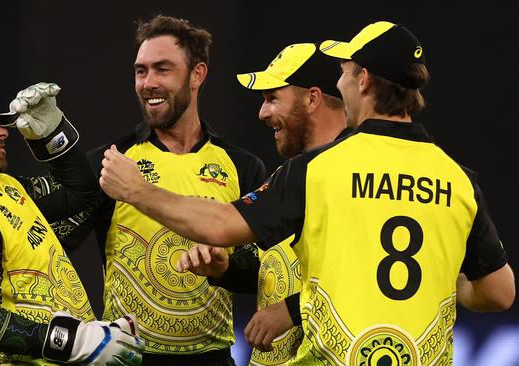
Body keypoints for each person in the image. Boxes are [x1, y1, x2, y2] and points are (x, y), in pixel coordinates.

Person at [98, 21, 515, 365]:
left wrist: (137, 190)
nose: (341, 82)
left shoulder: (321, 170)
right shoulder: (457, 178)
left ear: (363, 79)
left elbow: (221, 224)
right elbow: (499, 292)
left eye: (345, 72)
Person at [49, 15, 266, 366]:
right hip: (128, 359)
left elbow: (264, 269)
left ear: (198, 75)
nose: (148, 83)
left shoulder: (242, 166)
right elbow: (52, 248)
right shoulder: (110, 163)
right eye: (140, 71)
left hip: (212, 359)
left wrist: (224, 267)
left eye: (162, 69)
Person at [0, 81, 144, 365]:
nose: (3, 131)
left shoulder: (6, 187)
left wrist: (51, 133)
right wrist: (77, 341)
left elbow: (81, 193)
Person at [177, 42, 348, 365]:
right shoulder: (295, 173)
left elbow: (367, 278)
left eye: (272, 99)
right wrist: (225, 266)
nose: (262, 113)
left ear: (312, 98)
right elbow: (273, 265)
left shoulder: (353, 175)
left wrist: (292, 310)